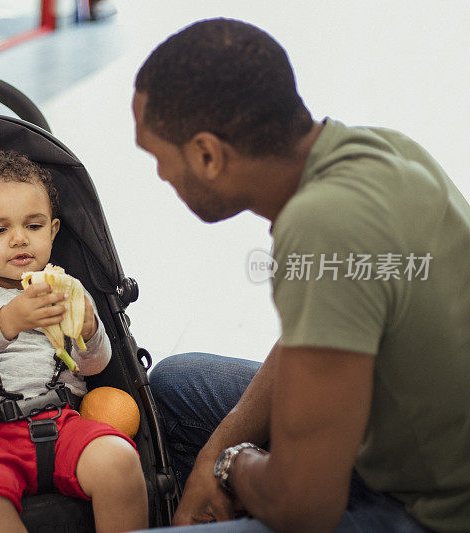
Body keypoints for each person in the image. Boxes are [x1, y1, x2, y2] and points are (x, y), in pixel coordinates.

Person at [132, 18, 470, 532]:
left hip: (433, 513)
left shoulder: (323, 224)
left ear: (206, 154)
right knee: (176, 387)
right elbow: (309, 339)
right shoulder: (381, 151)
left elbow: (303, 508)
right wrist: (215, 450)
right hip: (407, 445)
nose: (160, 176)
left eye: (159, 157)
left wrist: (230, 466)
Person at [0, 148, 148, 533]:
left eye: (33, 226)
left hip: (63, 420)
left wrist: (89, 331)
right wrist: (7, 320)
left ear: (53, 230)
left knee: (121, 462)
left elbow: (94, 366)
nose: (18, 240)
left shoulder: (66, 286)